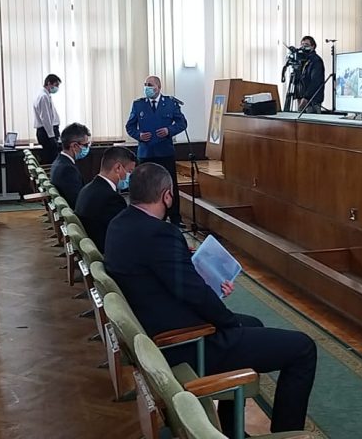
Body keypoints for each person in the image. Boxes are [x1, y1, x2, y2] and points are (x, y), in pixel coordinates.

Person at [104, 164, 316, 433]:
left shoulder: (119, 223)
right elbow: (194, 294)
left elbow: (168, 277)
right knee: (303, 348)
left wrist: (193, 269)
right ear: (167, 195)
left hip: (156, 323)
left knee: (253, 323)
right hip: (183, 342)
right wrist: (229, 324)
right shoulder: (160, 233)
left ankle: (232, 429)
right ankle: (287, 435)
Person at [124, 75, 187, 227]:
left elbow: (182, 123)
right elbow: (130, 126)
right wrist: (139, 135)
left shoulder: (170, 103)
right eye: (145, 84)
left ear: (158, 87)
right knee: (144, 185)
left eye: (150, 85)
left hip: (165, 152)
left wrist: (169, 130)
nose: (147, 87)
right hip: (146, 153)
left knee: (170, 184)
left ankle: (175, 217)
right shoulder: (138, 104)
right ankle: (146, 216)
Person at [74, 146, 135, 253]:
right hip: (105, 251)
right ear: (118, 168)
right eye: (130, 171)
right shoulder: (111, 199)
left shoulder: (87, 188)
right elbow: (124, 233)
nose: (130, 177)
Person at [50, 123, 91, 209]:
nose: (87, 148)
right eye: (86, 145)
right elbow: (78, 202)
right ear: (74, 146)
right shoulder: (67, 170)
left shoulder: (59, 162)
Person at [33, 74, 62, 164]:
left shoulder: (44, 95)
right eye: (56, 85)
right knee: (52, 159)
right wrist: (51, 136)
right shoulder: (43, 96)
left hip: (46, 132)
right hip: (47, 133)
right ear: (49, 83)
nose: (57, 88)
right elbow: (46, 118)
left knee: (51, 157)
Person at [295, 35, 326, 113]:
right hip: (302, 99)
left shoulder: (316, 61)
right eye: (302, 44)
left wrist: (306, 98)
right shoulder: (303, 60)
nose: (303, 47)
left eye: (306, 45)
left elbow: (315, 81)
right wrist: (298, 96)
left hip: (312, 101)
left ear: (313, 46)